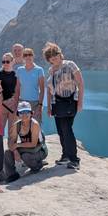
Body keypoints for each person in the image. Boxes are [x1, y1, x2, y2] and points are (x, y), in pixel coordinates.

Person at [43, 42, 84, 170]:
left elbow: (81, 84)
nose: (54, 58)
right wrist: (49, 106)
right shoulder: (51, 70)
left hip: (70, 102)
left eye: (55, 55)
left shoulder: (70, 65)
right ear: (48, 60)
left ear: (60, 54)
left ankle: (74, 160)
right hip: (57, 103)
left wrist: (80, 102)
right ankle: (65, 155)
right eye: (50, 57)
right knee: (61, 130)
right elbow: (50, 90)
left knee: (67, 129)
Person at [4, 101, 48, 182]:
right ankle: (12, 174)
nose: (24, 115)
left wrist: (17, 145)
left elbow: (33, 144)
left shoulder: (34, 124)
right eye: (21, 112)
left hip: (39, 149)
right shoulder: (16, 125)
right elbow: (11, 143)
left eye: (27, 112)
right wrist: (15, 151)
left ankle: (37, 166)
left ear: (31, 113)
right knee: (8, 152)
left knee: (25, 156)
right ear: (18, 114)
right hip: (26, 148)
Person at [16, 48, 45, 122]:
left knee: (36, 126)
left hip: (35, 103)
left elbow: (42, 90)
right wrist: (16, 103)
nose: (28, 57)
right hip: (22, 103)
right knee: (23, 127)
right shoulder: (19, 70)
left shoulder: (39, 70)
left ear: (33, 56)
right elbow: (17, 88)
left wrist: (40, 105)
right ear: (23, 57)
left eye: (30, 54)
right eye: (25, 55)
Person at [0, 52, 20, 136]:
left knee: (12, 130)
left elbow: (19, 90)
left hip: (13, 105)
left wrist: (16, 102)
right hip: (1, 106)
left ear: (13, 61)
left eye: (7, 61)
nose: (5, 63)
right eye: (3, 61)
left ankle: (12, 148)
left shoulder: (16, 75)